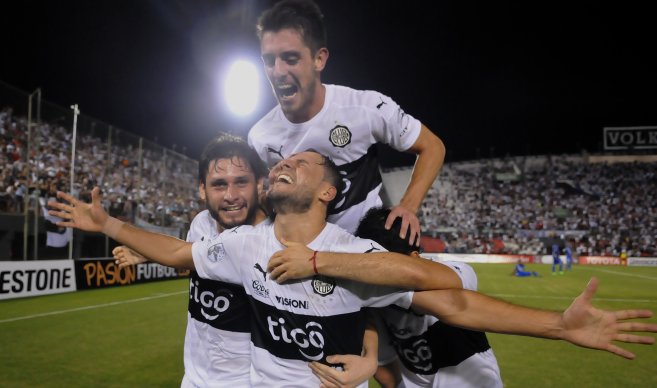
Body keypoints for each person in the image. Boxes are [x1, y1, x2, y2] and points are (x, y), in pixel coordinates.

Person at [50, 151, 657, 386]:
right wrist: (108, 227)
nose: (286, 162)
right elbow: (181, 254)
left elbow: (450, 293)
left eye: (304, 163)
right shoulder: (243, 246)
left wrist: (561, 326)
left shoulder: (360, 257)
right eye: (284, 158)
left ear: (327, 194)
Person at [248, 0, 446, 244]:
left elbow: (433, 146)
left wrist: (408, 206)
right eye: (269, 61)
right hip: (305, 263)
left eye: (290, 58)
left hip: (368, 255)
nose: (277, 71)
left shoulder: (366, 107)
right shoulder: (260, 137)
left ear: (319, 59)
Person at [357, 207, 503, 388]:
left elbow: (449, 287)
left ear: (414, 258)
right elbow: (384, 362)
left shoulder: (458, 273)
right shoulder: (377, 305)